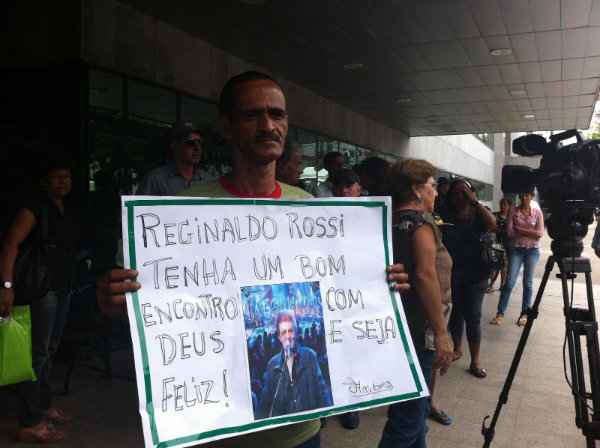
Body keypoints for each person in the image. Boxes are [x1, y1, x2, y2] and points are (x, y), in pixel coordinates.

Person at [96, 70, 411, 448]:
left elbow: (340, 298)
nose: (268, 126)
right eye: (252, 115)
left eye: (277, 115)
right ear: (226, 127)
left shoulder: (312, 210)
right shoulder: (179, 212)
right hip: (213, 431)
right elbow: (135, 306)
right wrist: (113, 299)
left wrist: (381, 285)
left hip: (300, 433)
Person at [0, 157, 82, 443]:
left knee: (51, 348)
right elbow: (11, 244)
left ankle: (44, 405)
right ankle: (29, 420)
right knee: (37, 354)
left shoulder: (63, 209)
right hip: (40, 290)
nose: (64, 182)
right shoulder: (33, 209)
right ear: (44, 181)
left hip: (62, 287)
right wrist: (6, 286)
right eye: (57, 177)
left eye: (67, 177)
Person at [378, 159, 454, 448]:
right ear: (416, 189)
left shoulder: (387, 221)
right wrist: (442, 333)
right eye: (432, 186)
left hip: (396, 326)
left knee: (415, 414)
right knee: (407, 422)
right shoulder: (421, 224)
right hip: (419, 331)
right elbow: (425, 275)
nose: (436, 192)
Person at [441, 179, 496, 379]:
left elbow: (493, 225)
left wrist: (474, 202)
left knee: (473, 316)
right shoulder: (445, 214)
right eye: (455, 193)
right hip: (452, 272)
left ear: (471, 194)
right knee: (455, 313)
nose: (459, 197)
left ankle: (475, 361)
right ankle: (457, 348)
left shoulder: (479, 213)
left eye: (464, 193)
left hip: (476, 272)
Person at [329, 167, 362, 430]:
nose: (344, 191)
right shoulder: (322, 213)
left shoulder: (368, 215)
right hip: (330, 291)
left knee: (352, 349)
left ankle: (351, 404)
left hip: (356, 295)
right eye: (340, 187)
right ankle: (325, 406)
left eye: (349, 186)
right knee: (332, 347)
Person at [257, 311, 332, 419]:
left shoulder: (310, 357)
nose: (288, 336)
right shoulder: (272, 365)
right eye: (284, 332)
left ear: (296, 333)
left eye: (291, 331)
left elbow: (322, 393)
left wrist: (325, 415)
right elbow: (264, 405)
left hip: (309, 422)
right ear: (279, 336)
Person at [490, 190, 544, 326]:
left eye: (527, 195)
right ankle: (500, 313)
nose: (524, 197)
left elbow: (539, 233)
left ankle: (524, 314)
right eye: (522, 195)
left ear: (531, 196)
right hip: (517, 250)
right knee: (509, 282)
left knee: (528, 283)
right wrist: (529, 232)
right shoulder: (514, 211)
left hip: (532, 251)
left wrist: (521, 230)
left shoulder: (537, 212)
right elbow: (510, 232)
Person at [136, 120, 204, 195]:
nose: (197, 148)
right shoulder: (155, 180)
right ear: (174, 145)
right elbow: (141, 206)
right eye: (191, 143)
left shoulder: (208, 180)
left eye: (199, 143)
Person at [488, 198, 512, 292]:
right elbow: (491, 227)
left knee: (504, 265)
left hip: (507, 244)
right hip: (496, 243)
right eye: (502, 204)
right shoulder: (495, 215)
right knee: (494, 265)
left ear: (509, 206)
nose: (503, 207)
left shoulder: (511, 217)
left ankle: (503, 285)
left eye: (505, 205)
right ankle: (491, 285)